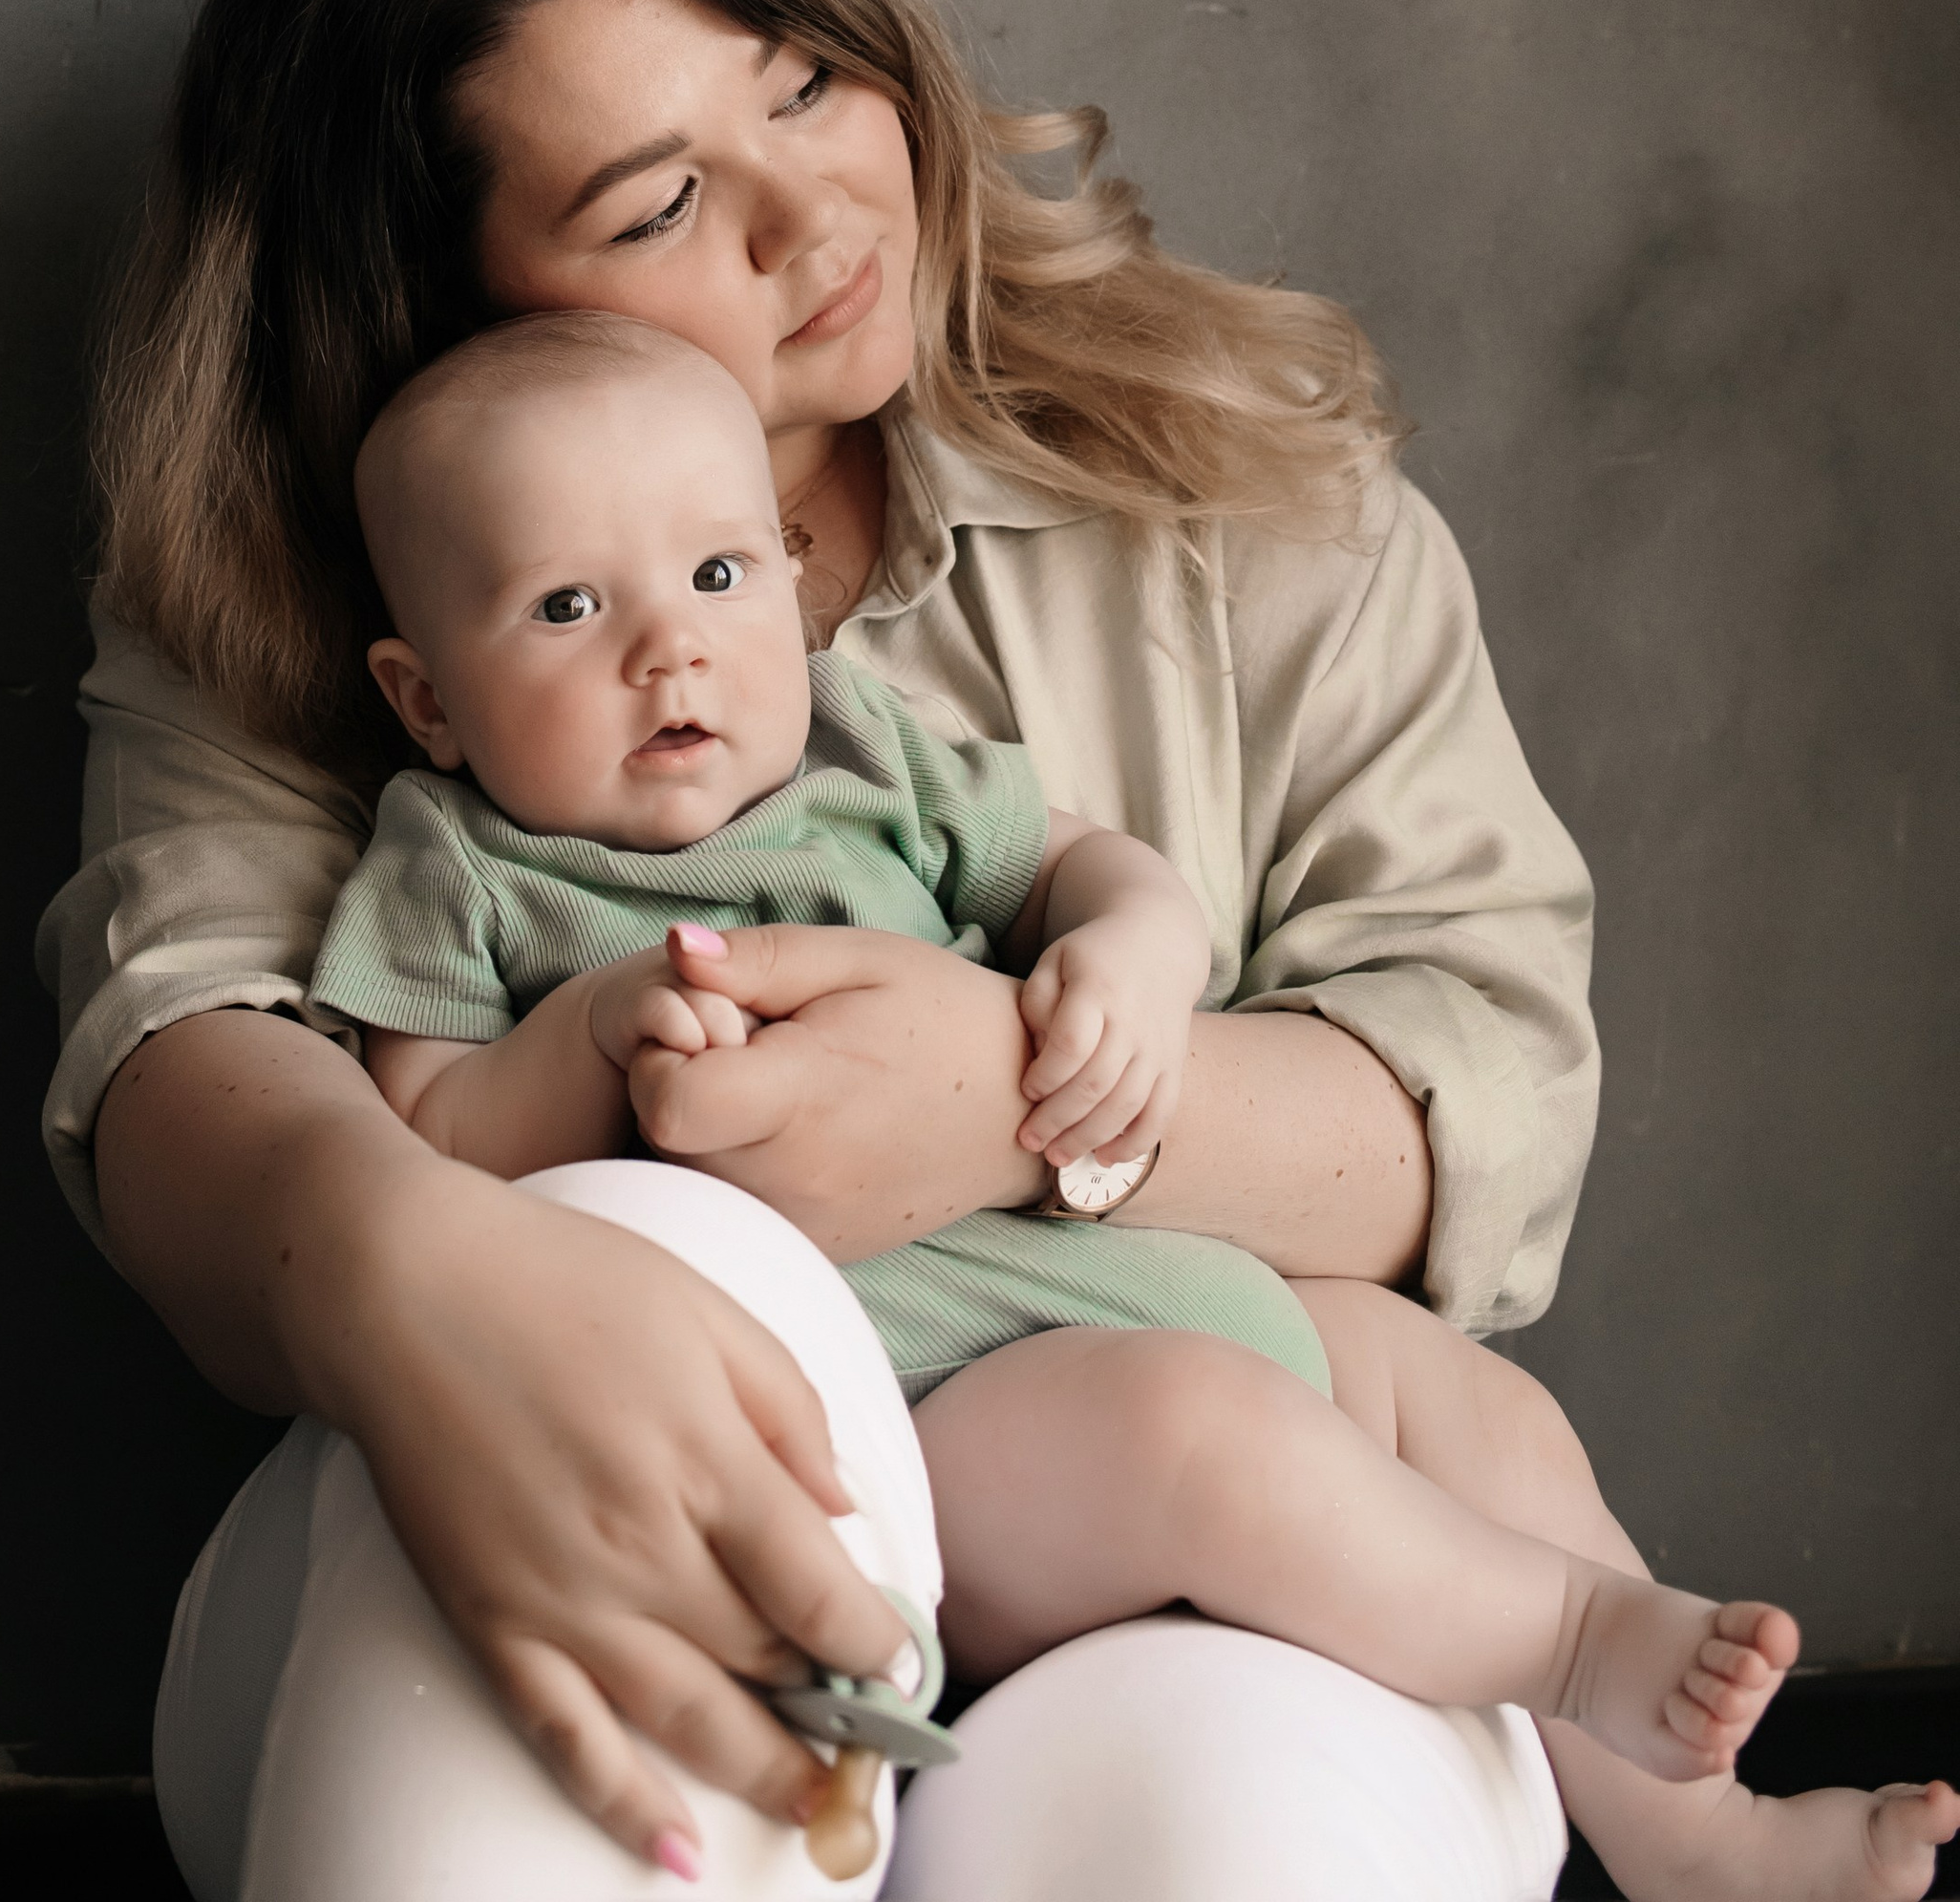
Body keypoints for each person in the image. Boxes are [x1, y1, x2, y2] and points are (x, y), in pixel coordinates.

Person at [37, 0, 1609, 1900]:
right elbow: (185, 1047)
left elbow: (1482, 1072)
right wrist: (431, 1231)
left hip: (1161, 1532)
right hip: (568, 1518)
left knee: (1232, 1788)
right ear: (455, 306)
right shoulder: (345, 609)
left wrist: (1017, 1102)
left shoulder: (1249, 489)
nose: (817, 218)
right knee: (653, 1236)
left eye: (803, 83)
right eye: (656, 203)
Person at [312, 306, 1958, 1902]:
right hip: (931, 1421)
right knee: (1194, 1435)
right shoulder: (465, 867)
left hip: (1155, 1270)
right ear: (428, 698)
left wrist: (1137, 955)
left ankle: (1702, 1845)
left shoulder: (869, 753)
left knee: (1469, 1406)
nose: (666, 644)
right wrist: (594, 1033)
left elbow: (1086, 864)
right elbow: (434, 1146)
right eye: (564, 608)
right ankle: (1573, 1643)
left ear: (791, 587)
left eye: (718, 574)